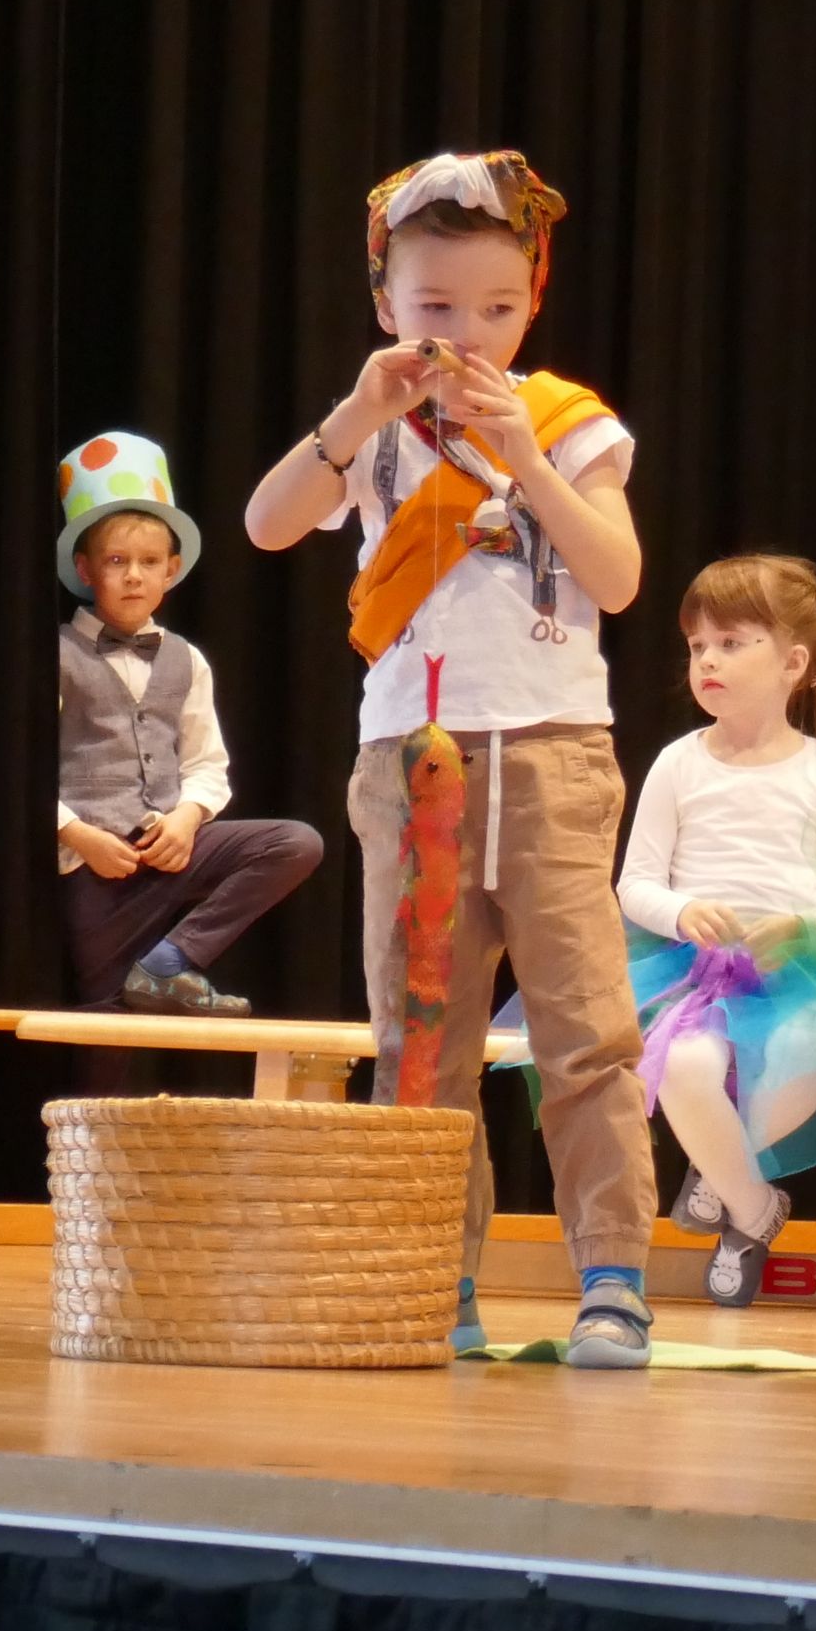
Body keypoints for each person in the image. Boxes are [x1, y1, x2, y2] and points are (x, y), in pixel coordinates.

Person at [240, 149, 658, 1367]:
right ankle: (436, 1278)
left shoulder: (569, 424)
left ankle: (613, 1281)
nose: (466, 333)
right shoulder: (371, 434)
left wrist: (524, 456)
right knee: (422, 1039)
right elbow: (266, 527)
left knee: (585, 1034)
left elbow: (618, 579)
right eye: (434, 306)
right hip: (410, 758)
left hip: (551, 753)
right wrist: (355, 415)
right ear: (385, 303)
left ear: (532, 302)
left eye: (497, 307)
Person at [618, 554, 816, 1310]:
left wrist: (802, 926)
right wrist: (682, 911)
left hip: (796, 972)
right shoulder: (678, 763)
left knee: (801, 1067)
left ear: (793, 663)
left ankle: (718, 1170)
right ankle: (754, 1213)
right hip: (695, 974)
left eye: (730, 643)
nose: (708, 660)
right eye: (698, 646)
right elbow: (635, 883)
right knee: (684, 1067)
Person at [49, 431, 318, 1019]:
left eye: (149, 563)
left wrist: (187, 819)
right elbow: (24, 771)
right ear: (85, 569)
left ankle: (170, 960)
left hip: (168, 850)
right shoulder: (58, 654)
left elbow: (205, 761)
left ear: (171, 571)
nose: (134, 576)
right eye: (116, 562)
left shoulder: (186, 659)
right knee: (108, 1025)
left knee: (295, 843)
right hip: (95, 865)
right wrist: (78, 835)